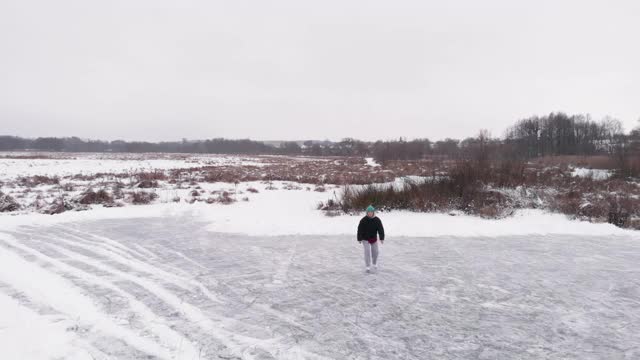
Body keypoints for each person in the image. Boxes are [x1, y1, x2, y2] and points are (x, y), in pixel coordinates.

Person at [357, 205, 385, 272]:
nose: (370, 213)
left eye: (371, 212)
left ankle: (374, 263)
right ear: (367, 213)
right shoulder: (363, 220)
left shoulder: (377, 220)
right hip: (365, 238)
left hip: (373, 238)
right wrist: (359, 238)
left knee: (376, 252)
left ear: (373, 212)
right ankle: (367, 266)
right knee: (367, 251)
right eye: (368, 212)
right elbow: (359, 229)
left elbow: (381, 229)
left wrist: (381, 238)